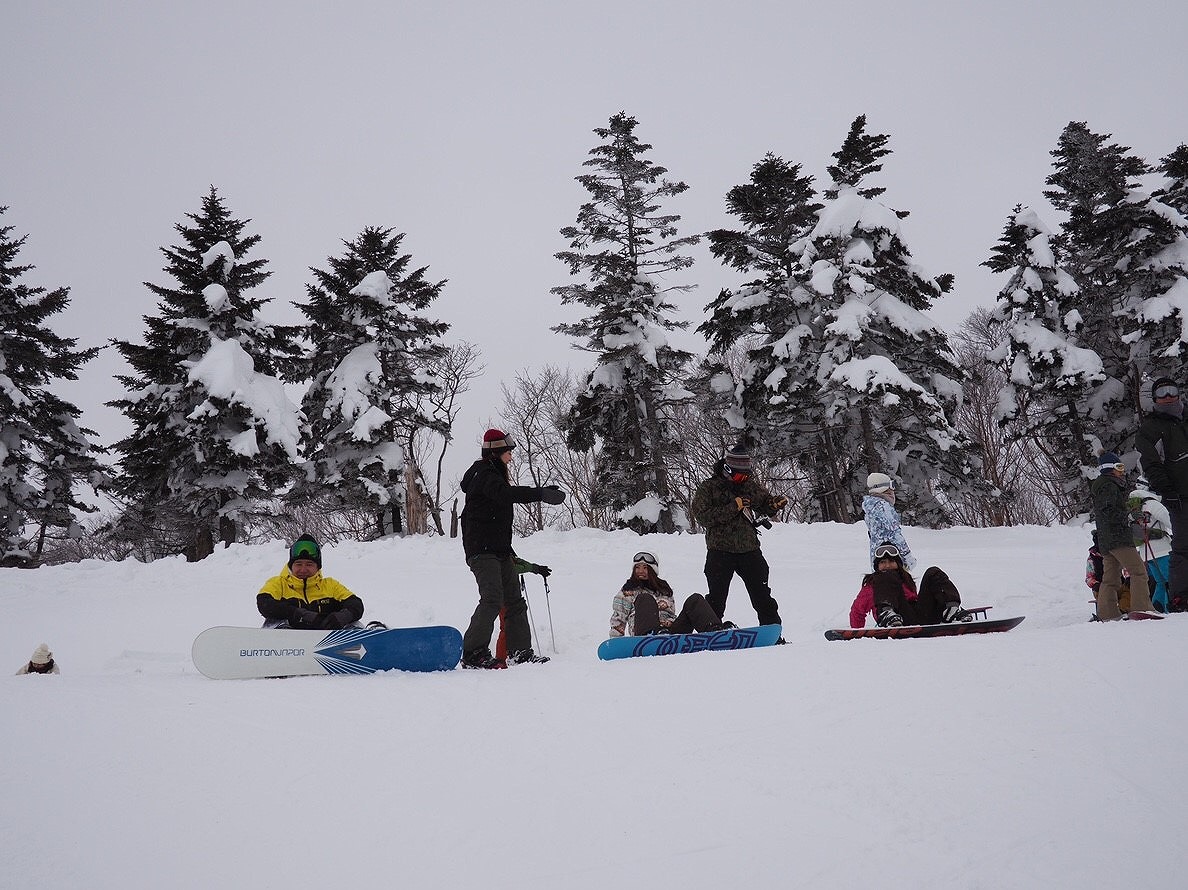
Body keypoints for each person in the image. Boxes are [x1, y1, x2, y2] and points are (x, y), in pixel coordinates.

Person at [460, 428, 565, 669]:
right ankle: (473, 653)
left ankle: (519, 653)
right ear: (496, 452)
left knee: (515, 601)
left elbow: (497, 514)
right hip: (482, 551)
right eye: (508, 451)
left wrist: (509, 551)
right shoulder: (483, 473)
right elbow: (505, 494)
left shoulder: (493, 473)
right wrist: (539, 493)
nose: (511, 456)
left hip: (500, 550)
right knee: (492, 600)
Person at [690, 443, 786, 631]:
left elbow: (764, 504)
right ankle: (709, 632)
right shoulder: (708, 488)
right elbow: (703, 517)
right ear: (727, 469)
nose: (743, 479)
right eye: (740, 475)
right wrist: (735, 506)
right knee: (716, 598)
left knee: (762, 596)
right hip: (719, 551)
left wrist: (774, 504)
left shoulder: (748, 485)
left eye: (746, 475)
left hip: (749, 550)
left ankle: (772, 631)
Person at [1135, 376, 1188, 611]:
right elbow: (1152, 464)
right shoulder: (1151, 428)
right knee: (1183, 547)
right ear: (1155, 399)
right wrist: (1167, 490)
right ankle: (1180, 597)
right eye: (1162, 393)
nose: (1168, 396)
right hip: (1180, 496)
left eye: (1171, 391)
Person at [1089, 452, 1154, 620]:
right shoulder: (1109, 486)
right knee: (1138, 572)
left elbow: (1107, 511)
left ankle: (1107, 613)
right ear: (1108, 469)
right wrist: (1129, 516)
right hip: (1118, 538)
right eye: (1119, 467)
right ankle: (1143, 609)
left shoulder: (1102, 486)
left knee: (1110, 578)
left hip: (1106, 540)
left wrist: (1129, 514)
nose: (1122, 471)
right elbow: (1110, 511)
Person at [608, 551, 731, 637]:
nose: (640, 571)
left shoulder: (663, 589)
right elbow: (618, 619)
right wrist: (616, 644)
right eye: (637, 567)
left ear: (652, 570)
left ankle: (715, 631)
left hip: (671, 632)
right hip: (645, 635)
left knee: (695, 599)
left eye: (645, 567)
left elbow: (670, 614)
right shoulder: (627, 592)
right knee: (645, 599)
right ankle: (652, 634)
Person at [257, 534, 366, 629]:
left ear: (317, 567)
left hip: (327, 641)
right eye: (298, 564)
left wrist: (343, 617)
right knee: (273, 621)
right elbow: (264, 603)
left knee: (353, 622)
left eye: (309, 564)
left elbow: (355, 604)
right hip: (288, 644)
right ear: (291, 566)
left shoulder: (330, 585)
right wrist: (298, 614)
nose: (303, 570)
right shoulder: (278, 583)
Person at [852, 542, 972, 627]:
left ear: (898, 564)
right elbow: (857, 611)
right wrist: (857, 634)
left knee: (933, 572)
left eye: (891, 561)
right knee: (886, 575)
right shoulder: (873, 585)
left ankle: (951, 609)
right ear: (877, 567)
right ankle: (887, 613)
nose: (887, 565)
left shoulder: (905, 580)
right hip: (898, 619)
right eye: (883, 562)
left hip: (918, 615)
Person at [1128, 482, 1172, 612]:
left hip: (1145, 551)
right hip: (1162, 549)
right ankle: (1172, 608)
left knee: (1160, 582)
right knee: (1171, 581)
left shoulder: (1134, 506)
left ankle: (1156, 609)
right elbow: (1171, 521)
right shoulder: (1152, 504)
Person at [862, 472, 917, 572]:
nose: (893, 490)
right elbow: (894, 534)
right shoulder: (883, 507)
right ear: (884, 488)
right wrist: (907, 556)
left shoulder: (870, 508)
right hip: (892, 557)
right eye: (891, 486)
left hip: (878, 558)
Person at [1085, 530, 1132, 613]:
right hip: (1102, 587)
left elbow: (1125, 567)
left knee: (1129, 591)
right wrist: (1096, 584)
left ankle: (1123, 609)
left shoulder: (1116, 553)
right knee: (1106, 595)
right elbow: (1089, 578)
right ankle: (1109, 612)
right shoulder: (1092, 559)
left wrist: (1128, 578)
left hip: (1119, 585)